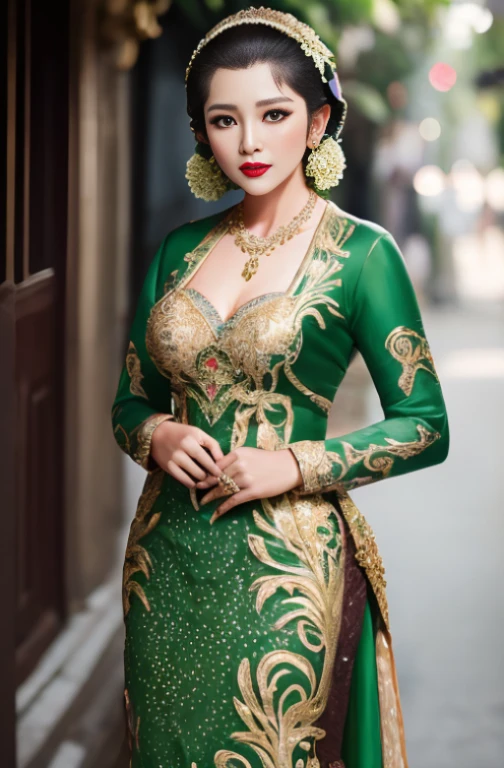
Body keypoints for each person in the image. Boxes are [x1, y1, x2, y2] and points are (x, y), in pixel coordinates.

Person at [111, 7, 449, 768]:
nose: (251, 142)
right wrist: (156, 434)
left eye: (275, 113)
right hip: (166, 563)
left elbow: (426, 424)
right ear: (201, 132)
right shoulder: (178, 251)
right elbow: (128, 403)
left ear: (319, 117)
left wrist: (297, 463)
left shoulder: (365, 255)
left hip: (289, 574)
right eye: (224, 120)